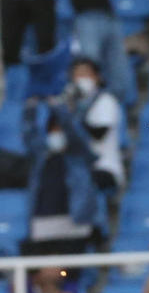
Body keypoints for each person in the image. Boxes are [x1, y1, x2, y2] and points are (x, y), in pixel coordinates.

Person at [22, 96, 104, 255]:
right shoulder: (41, 156)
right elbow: (28, 135)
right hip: (43, 223)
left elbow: (73, 131)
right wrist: (29, 110)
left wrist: (59, 109)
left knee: (70, 273)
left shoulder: (78, 154)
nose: (57, 134)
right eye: (53, 130)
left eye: (60, 130)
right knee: (47, 272)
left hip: (74, 222)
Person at [67, 58, 122, 197]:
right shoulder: (69, 102)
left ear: (97, 77)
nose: (82, 79)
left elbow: (99, 133)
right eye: (78, 75)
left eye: (86, 74)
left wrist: (73, 117)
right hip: (76, 168)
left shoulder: (106, 101)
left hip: (104, 168)